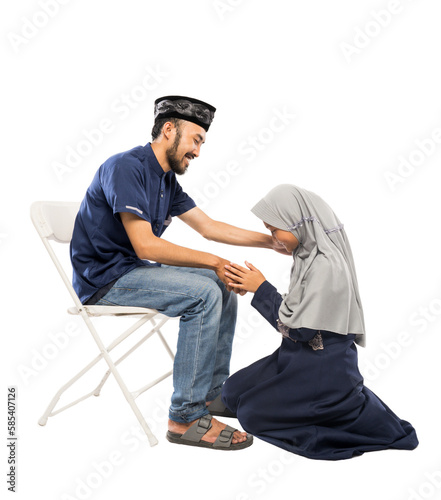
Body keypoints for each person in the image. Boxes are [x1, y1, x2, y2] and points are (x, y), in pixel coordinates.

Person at [70, 95, 285, 451]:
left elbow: (209, 226)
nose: (199, 152)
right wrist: (214, 260)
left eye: (202, 143)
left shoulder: (165, 180)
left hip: (132, 272)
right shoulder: (126, 167)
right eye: (196, 140)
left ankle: (212, 394)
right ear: (168, 130)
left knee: (222, 282)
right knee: (204, 293)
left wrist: (271, 242)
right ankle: (184, 417)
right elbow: (146, 246)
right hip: (104, 281)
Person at [220, 184, 419, 460]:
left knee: (250, 414)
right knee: (231, 392)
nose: (273, 237)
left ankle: (335, 415)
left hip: (322, 372)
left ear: (296, 222)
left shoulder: (327, 265)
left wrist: (261, 288)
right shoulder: (306, 255)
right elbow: (298, 308)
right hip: (295, 359)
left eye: (274, 229)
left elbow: (301, 328)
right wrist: (256, 287)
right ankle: (295, 400)